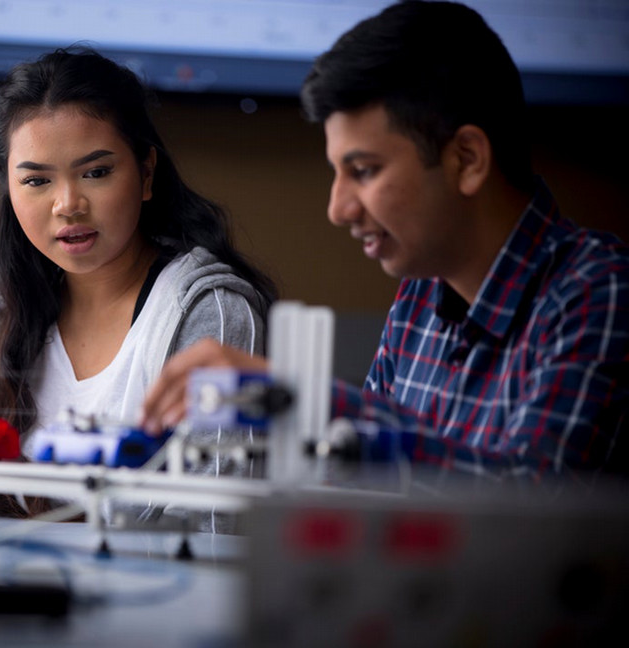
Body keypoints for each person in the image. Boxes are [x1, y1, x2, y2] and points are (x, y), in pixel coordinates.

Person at [141, 0, 629, 482]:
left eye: (364, 171)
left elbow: (532, 520)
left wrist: (307, 400)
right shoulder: (419, 296)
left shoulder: (600, 294)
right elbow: (371, 502)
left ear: (467, 159)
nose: (339, 209)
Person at [0, 48, 277, 514]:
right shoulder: (1, 311)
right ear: (9, 188)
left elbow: (212, 527)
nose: (68, 204)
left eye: (96, 172)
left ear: (146, 174)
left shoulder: (207, 310)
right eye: (36, 181)